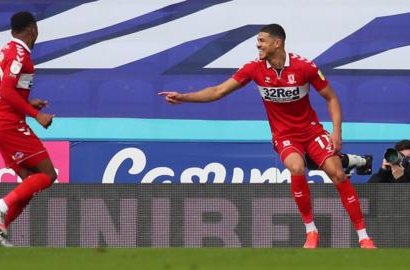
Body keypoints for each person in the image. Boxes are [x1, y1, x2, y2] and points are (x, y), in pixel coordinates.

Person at [159, 24, 375, 248]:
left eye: (262, 41)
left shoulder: (304, 67)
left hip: (312, 131)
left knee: (338, 174)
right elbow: (218, 91)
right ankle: (311, 231)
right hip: (284, 135)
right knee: (296, 167)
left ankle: (364, 237)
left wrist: (337, 131)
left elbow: (331, 98)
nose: (257, 45)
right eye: (258, 41)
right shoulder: (254, 69)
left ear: (277, 43)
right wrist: (184, 97)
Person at [0, 11, 57, 247]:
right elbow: (4, 91)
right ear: (33, 29)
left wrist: (27, 102)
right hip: (9, 125)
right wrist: (36, 114)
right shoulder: (21, 55)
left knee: (30, 183)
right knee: (48, 174)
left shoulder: (5, 49)